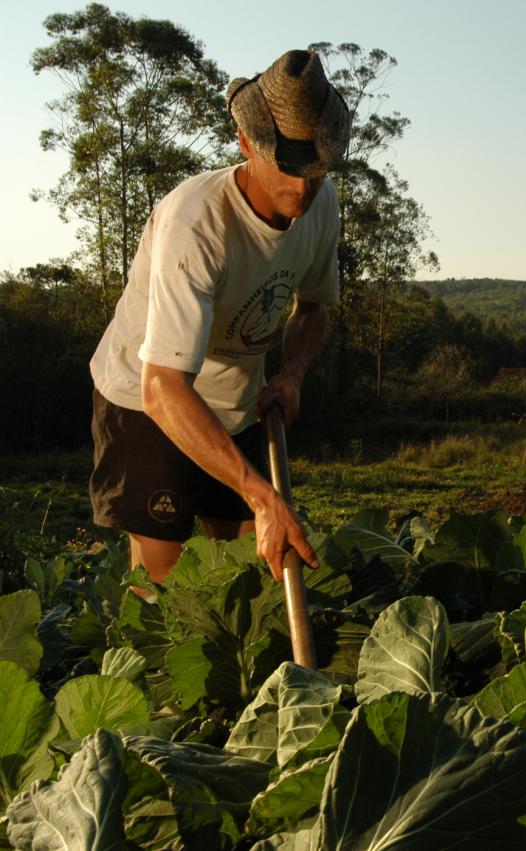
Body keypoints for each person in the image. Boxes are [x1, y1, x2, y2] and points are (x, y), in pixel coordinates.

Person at [88, 49, 352, 587]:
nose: (303, 188)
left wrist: (293, 373)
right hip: (147, 400)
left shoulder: (321, 208)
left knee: (246, 576)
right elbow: (163, 386)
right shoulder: (197, 222)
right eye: (291, 169)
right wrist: (261, 495)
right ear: (247, 144)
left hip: (237, 404)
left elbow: (314, 307)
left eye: (318, 172)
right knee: (165, 584)